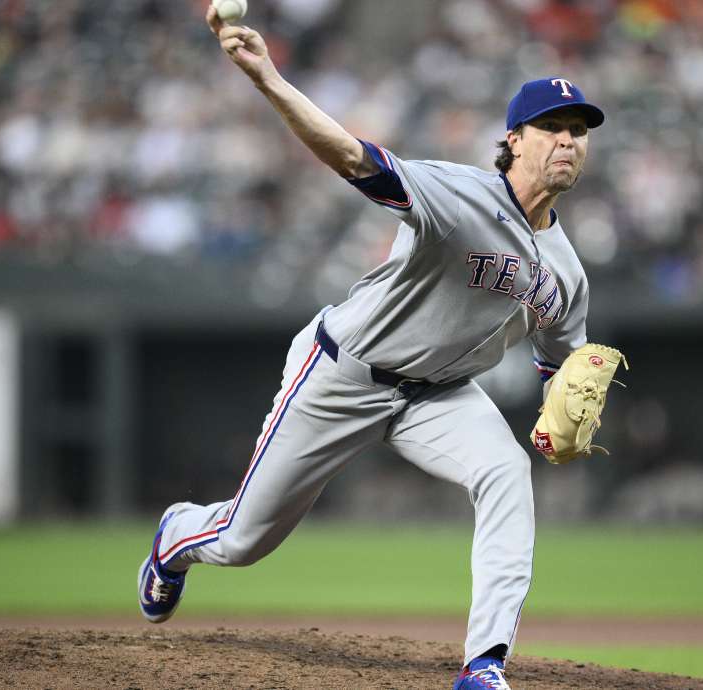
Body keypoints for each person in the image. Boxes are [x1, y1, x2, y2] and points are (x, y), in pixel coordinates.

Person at [138, 6, 605, 688]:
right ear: (515, 139)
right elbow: (352, 156)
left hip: (440, 397)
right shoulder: (459, 194)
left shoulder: (568, 272)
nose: (570, 141)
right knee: (243, 541)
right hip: (345, 373)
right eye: (554, 128)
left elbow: (563, 366)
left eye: (580, 131)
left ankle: (484, 665)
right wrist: (268, 78)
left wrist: (564, 409)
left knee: (506, 472)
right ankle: (178, 537)